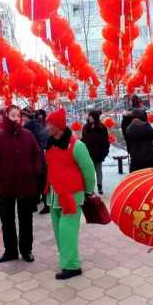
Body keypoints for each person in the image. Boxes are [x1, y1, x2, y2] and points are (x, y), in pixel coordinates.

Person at [44, 109, 96, 280]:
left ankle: (72, 266)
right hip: (54, 195)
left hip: (71, 196)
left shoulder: (77, 146)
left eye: (49, 124)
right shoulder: (49, 144)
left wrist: (89, 191)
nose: (47, 128)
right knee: (59, 231)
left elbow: (88, 171)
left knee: (67, 231)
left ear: (58, 126)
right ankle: (66, 259)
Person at [0, 105, 43, 263]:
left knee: (26, 219)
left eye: (18, 115)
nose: (16, 118)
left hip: (26, 185)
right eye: (12, 115)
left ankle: (26, 250)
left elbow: (37, 155)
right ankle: (10, 250)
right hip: (6, 186)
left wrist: (34, 171)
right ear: (6, 117)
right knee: (7, 220)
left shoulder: (28, 135)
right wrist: (1, 175)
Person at [22, 107, 49, 213]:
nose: (22, 118)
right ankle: (37, 204)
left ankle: (44, 204)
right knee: (38, 181)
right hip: (36, 157)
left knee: (39, 182)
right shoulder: (35, 125)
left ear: (28, 117)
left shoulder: (31, 126)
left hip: (36, 158)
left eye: (24, 116)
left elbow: (42, 140)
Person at [81, 110, 110, 195]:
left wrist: (105, 152)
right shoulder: (86, 127)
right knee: (90, 172)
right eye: (89, 116)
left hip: (99, 153)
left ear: (95, 117)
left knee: (98, 171)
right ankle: (91, 188)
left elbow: (106, 141)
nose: (89, 117)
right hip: (88, 153)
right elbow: (83, 140)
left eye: (91, 116)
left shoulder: (102, 127)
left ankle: (100, 186)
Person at [124, 108, 153, 172]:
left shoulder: (129, 129)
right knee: (148, 177)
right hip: (148, 157)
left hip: (135, 158)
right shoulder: (146, 126)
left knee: (137, 177)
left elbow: (128, 142)